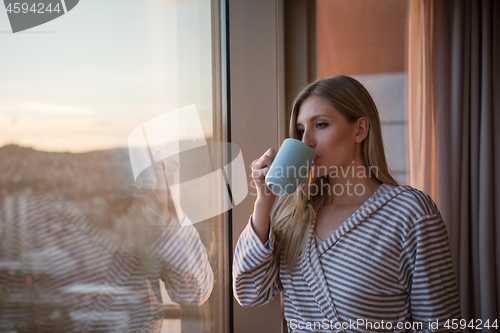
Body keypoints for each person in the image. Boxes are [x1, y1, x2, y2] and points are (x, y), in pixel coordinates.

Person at [233, 76, 462, 332]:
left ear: (360, 130)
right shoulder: (294, 215)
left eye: (320, 124)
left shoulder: (410, 213)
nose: (306, 140)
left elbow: (441, 324)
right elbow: (250, 293)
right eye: (300, 131)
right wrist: (263, 202)